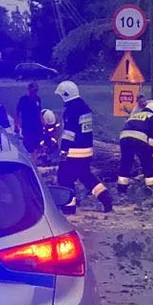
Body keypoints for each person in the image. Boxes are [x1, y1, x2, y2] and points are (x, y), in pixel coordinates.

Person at [55, 81, 114, 214]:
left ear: (65, 95)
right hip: (87, 149)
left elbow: (69, 133)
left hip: (74, 151)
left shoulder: (71, 111)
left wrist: (64, 150)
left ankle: (68, 208)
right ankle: (106, 198)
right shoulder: (84, 107)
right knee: (86, 176)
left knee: (64, 178)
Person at [118, 100, 153, 195]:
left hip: (124, 138)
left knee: (125, 163)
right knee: (148, 163)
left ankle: (121, 189)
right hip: (138, 139)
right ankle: (151, 187)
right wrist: (150, 151)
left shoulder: (136, 115)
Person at [14, 81, 44, 162]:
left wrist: (43, 123)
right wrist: (16, 124)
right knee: (27, 145)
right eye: (33, 90)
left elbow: (39, 112)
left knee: (37, 145)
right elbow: (17, 112)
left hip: (37, 126)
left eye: (35, 90)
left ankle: (34, 162)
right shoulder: (23, 99)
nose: (34, 92)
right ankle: (28, 160)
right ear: (29, 90)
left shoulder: (37, 99)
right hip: (27, 126)